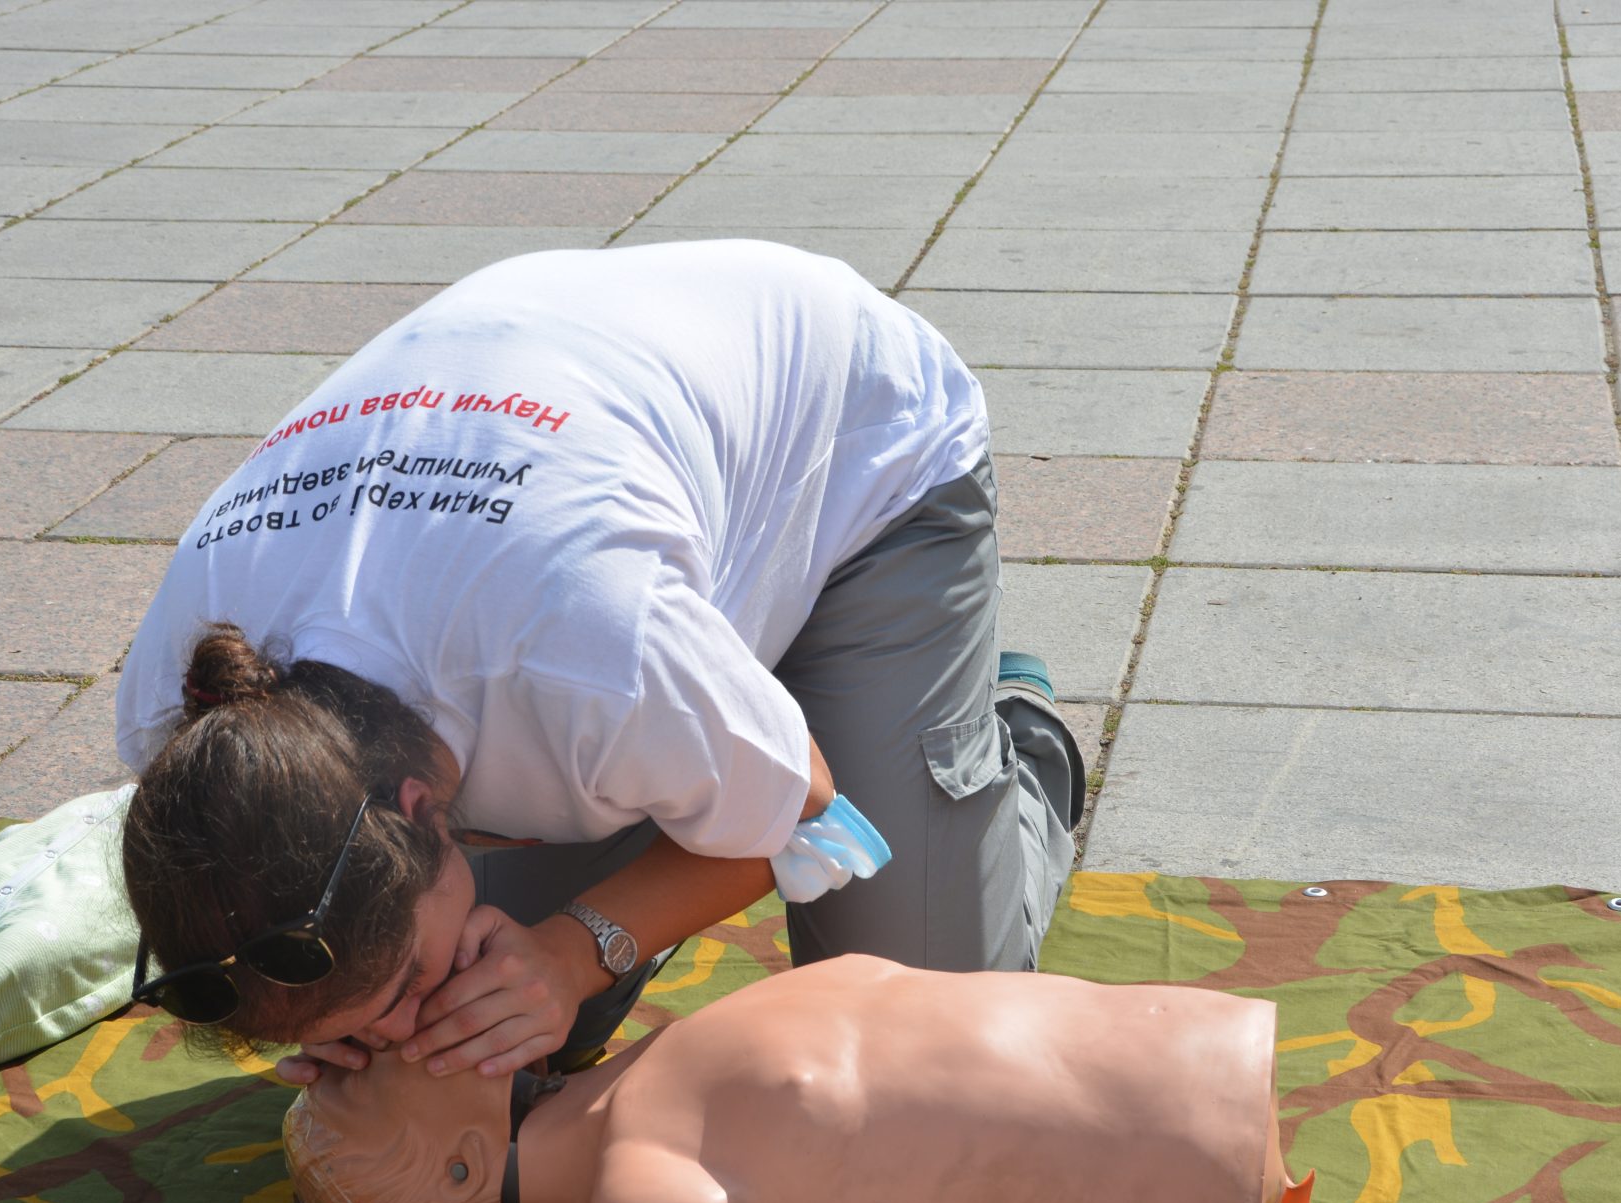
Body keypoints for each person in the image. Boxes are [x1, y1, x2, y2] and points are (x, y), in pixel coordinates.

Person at [113, 239, 1083, 1086]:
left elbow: (811, 815)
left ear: (422, 811)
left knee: (921, 1046)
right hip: (586, 461)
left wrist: (576, 953)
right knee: (493, 1031)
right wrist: (326, 1015)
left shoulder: (583, 651)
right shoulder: (190, 717)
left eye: (401, 987)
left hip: (858, 448)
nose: (397, 1033)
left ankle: (1007, 740)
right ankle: (713, 734)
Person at [283, 955, 1313, 1203]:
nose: (384, 1035)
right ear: (460, 1166)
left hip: (1185, 1080)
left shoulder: (624, 1087)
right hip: (1188, 1172)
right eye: (368, 1075)